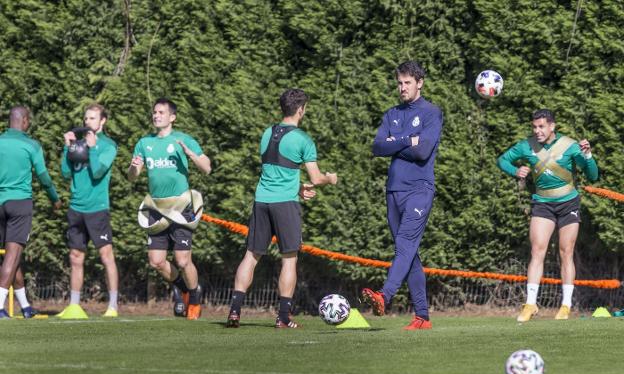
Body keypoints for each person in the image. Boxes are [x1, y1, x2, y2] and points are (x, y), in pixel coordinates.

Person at [226, 88, 338, 329]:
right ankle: (284, 317)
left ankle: (234, 312)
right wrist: (330, 178)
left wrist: (297, 187)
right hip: (285, 206)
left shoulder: (267, 133)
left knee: (251, 256)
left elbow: (276, 171)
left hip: (262, 201)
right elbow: (316, 178)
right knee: (289, 259)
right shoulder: (303, 139)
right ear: (300, 110)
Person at [361, 61, 443, 330]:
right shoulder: (391, 114)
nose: (402, 87)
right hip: (394, 189)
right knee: (409, 253)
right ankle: (423, 317)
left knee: (405, 244)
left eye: (407, 82)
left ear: (419, 83)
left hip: (419, 189)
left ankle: (384, 295)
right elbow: (377, 147)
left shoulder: (432, 113)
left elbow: (423, 152)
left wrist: (395, 144)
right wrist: (409, 139)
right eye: (399, 83)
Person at [497, 109, 599, 322]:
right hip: (542, 203)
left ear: (552, 126)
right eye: (534, 127)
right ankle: (530, 304)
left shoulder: (570, 146)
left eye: (541, 126)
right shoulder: (526, 146)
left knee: (566, 251)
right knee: (537, 249)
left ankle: (565, 306)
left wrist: (588, 155)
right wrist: (515, 171)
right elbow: (502, 160)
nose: (537, 131)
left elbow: (592, 175)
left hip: (568, 202)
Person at [128, 98, 211, 320]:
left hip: (182, 206)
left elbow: (207, 168)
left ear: (172, 117)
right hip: (156, 208)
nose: (156, 115)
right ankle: (182, 287)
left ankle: (194, 296)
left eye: (161, 112)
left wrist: (192, 155)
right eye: (154, 112)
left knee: (183, 260)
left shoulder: (184, 140)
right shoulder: (144, 143)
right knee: (156, 261)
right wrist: (134, 168)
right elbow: (132, 177)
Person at [58, 103, 119, 318]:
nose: (87, 122)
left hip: (97, 209)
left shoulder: (109, 145)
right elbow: (66, 174)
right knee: (75, 256)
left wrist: (92, 148)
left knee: (106, 255)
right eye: (86, 118)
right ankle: (74, 306)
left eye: (93, 118)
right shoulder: (78, 143)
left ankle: (112, 306)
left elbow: (99, 171)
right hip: (76, 208)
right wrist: (68, 147)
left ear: (102, 121)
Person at [0, 106, 61, 319]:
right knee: (13, 255)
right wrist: (55, 199)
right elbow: (44, 177)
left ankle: (25, 307)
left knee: (11, 258)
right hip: (19, 204)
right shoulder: (31, 145)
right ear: (24, 121)